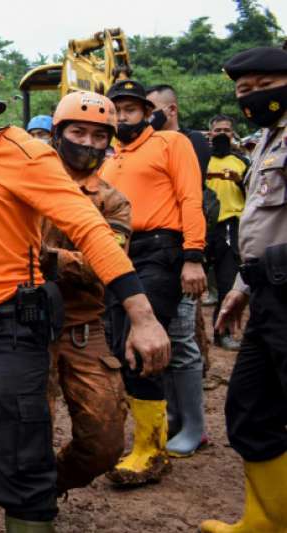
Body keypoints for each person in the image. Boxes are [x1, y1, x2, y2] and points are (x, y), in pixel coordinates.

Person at [0, 61, 170, 533]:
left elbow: (91, 230)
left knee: (23, 466)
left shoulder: (25, 156)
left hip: (8, 330)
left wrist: (141, 314)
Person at [98, 79, 206, 484]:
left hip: (162, 248)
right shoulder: (109, 159)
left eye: (130, 109)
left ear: (147, 112)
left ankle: (150, 448)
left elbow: (190, 197)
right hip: (119, 252)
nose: (122, 116)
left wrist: (193, 255)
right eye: (116, 109)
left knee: (141, 341)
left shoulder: (170, 144)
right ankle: (149, 436)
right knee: (116, 341)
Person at [201, 46, 287, 533]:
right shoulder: (267, 143)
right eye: (243, 91)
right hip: (266, 291)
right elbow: (260, 224)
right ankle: (266, 521)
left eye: (264, 87)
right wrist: (239, 288)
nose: (253, 98)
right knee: (249, 410)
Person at [41, 91, 132, 493]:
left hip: (82, 326)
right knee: (29, 430)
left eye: (100, 136)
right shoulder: (29, 184)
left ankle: (53, 481)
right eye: (79, 132)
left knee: (105, 441)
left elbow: (105, 263)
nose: (89, 144)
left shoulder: (113, 202)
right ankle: (33, 501)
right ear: (58, 133)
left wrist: (49, 259)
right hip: (25, 324)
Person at [144, 83, 212, 459]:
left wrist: (193, 255)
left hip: (180, 251)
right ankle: (173, 418)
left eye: (151, 108)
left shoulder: (188, 144)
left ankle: (195, 427)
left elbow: (191, 201)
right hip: (154, 257)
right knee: (166, 338)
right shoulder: (144, 148)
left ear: (170, 110)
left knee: (183, 340)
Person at [205, 114, 250, 351]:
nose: (222, 133)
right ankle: (191, 339)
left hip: (231, 227)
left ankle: (221, 333)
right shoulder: (200, 160)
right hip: (203, 227)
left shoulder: (243, 162)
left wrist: (240, 181)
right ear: (210, 133)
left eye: (226, 130)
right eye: (217, 130)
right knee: (189, 286)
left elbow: (254, 194)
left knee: (226, 283)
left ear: (233, 134)